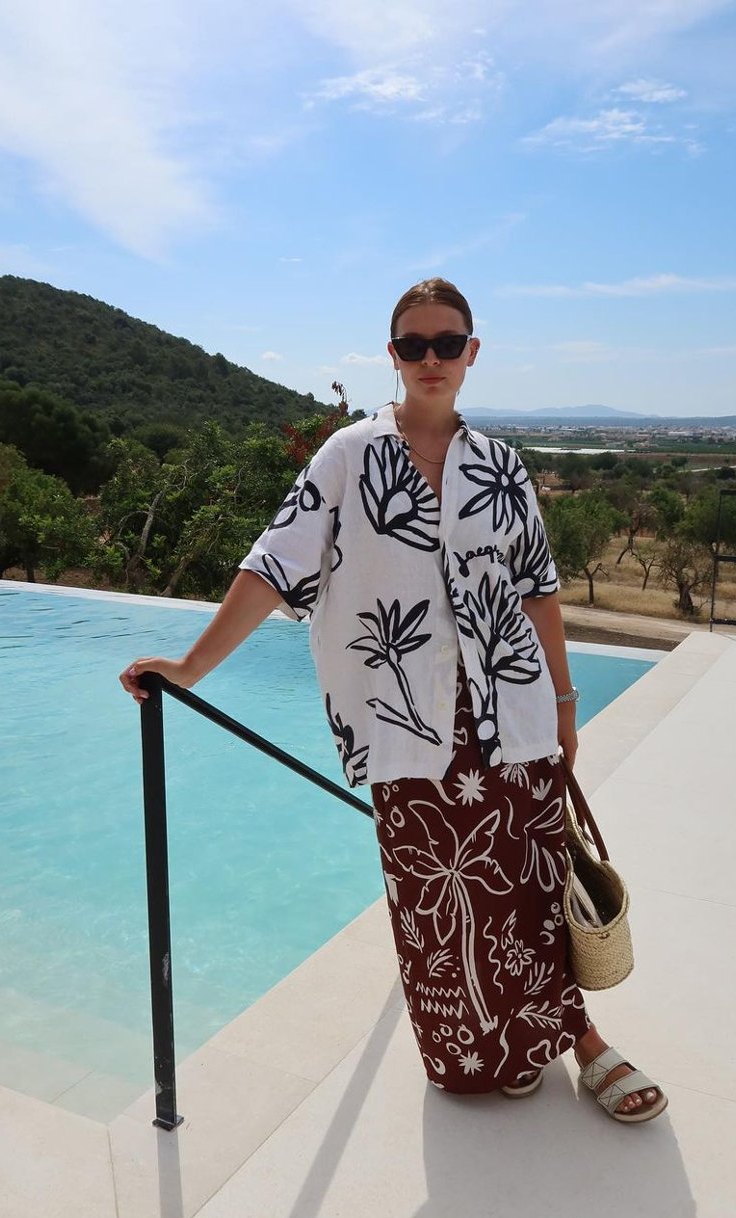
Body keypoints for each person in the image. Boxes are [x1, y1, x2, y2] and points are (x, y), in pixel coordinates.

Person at [120, 278, 666, 1123]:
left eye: (448, 343)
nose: (432, 359)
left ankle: (581, 1041)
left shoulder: (500, 466)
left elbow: (538, 589)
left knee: (528, 882)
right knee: (436, 900)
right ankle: (488, 1053)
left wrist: (562, 704)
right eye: (414, 345)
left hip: (511, 712)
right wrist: (191, 668)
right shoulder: (348, 457)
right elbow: (272, 565)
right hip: (403, 725)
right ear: (393, 354)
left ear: (472, 352)